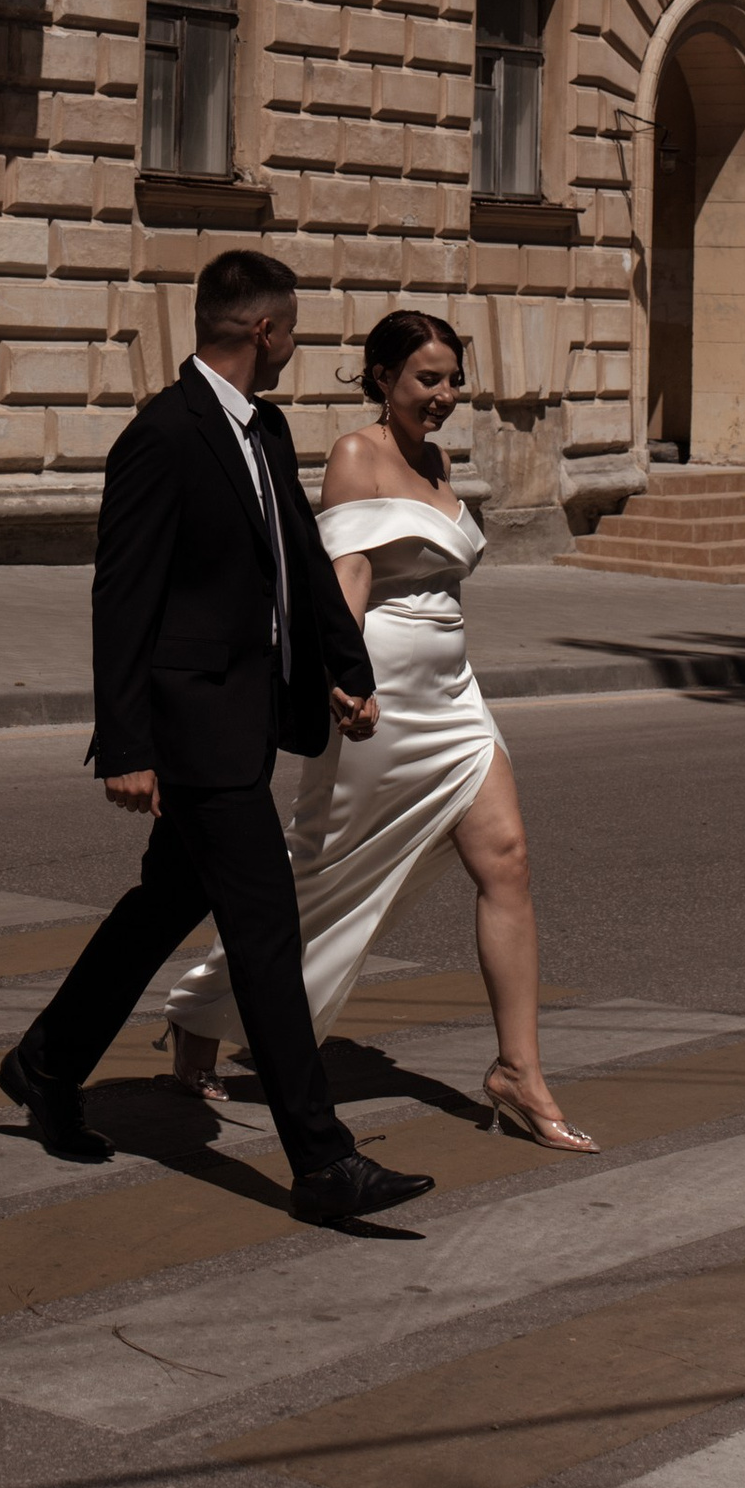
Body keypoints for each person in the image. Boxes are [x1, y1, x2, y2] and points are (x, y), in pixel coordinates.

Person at [0, 250, 437, 1227]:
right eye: (292, 329)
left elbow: (301, 565)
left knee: (162, 907)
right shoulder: (163, 435)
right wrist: (124, 745)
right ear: (261, 332)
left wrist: (343, 669)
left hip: (242, 718)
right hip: (191, 727)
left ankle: (46, 1062)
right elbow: (123, 597)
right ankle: (322, 1162)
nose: (296, 346)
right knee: (266, 933)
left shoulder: (264, 430)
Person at [162, 307, 594, 1152]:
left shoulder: (437, 461)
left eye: (453, 380)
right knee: (322, 874)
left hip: (455, 697)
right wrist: (339, 677)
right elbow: (347, 573)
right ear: (384, 378)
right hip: (376, 699)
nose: (445, 396)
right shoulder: (359, 454)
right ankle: (204, 1012)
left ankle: (518, 1070)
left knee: (507, 858)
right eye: (428, 379)